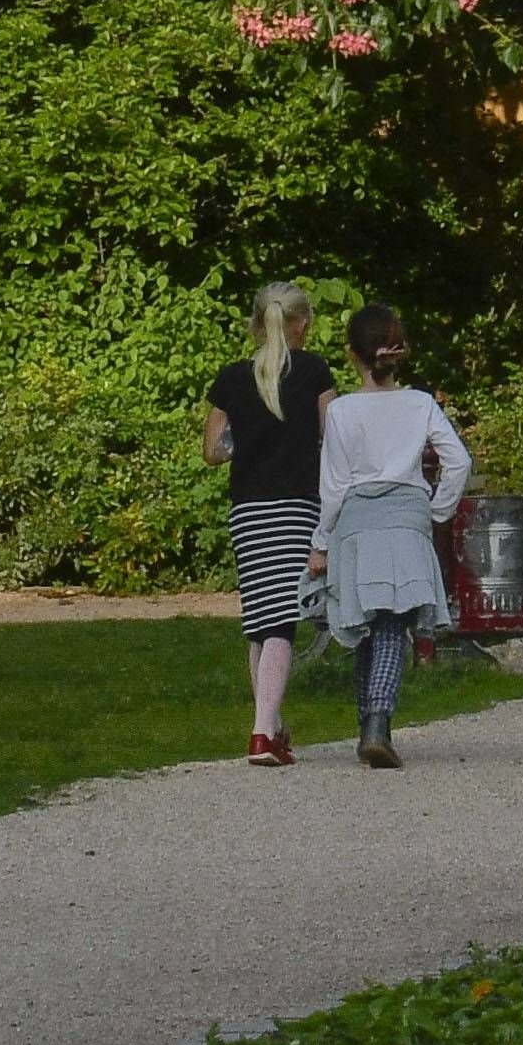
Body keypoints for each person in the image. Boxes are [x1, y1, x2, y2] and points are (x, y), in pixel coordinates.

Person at [309, 307, 479, 771]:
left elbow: (334, 485)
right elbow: (458, 462)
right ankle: (376, 725)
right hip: (406, 520)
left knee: (370, 623)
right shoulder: (420, 403)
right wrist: (437, 508)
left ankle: (370, 723)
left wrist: (320, 543)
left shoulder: (342, 411)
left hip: (359, 525)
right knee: (392, 622)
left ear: (352, 356)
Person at [206, 286, 336, 767]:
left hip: (248, 509)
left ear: (257, 325)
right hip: (298, 504)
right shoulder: (315, 372)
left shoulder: (232, 379)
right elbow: (334, 435)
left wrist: (250, 439)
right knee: (283, 617)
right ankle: (262, 734)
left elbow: (212, 450)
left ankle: (272, 727)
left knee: (260, 619)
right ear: (299, 324)